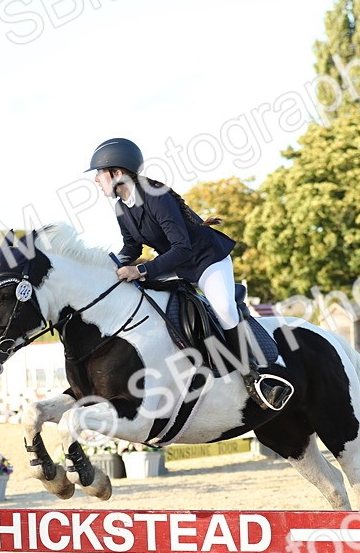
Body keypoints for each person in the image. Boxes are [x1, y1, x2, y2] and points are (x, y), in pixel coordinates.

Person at [87, 137, 293, 410]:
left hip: (206, 260)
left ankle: (255, 379)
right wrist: (108, 267)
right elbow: (132, 245)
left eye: (100, 173)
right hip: (176, 266)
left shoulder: (156, 197)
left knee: (223, 309)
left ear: (118, 173)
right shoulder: (121, 206)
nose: (96, 180)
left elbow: (182, 247)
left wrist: (141, 270)